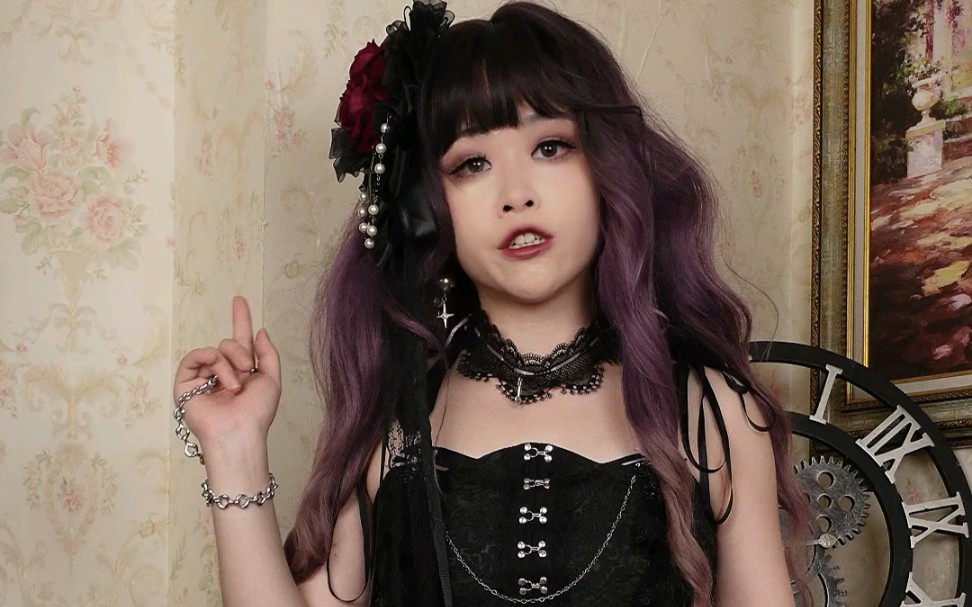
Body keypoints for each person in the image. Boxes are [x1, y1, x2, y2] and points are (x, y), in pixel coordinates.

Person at [173, 2, 810, 606]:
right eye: (471, 163)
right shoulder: (392, 423)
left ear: (608, 166)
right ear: (428, 207)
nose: (515, 193)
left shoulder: (713, 412)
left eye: (550, 147)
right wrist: (234, 452)